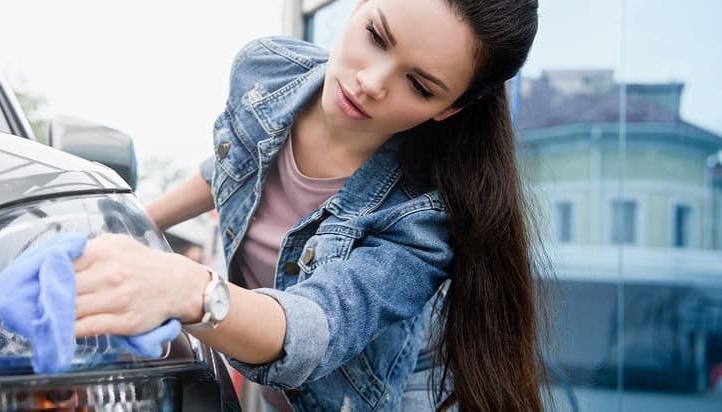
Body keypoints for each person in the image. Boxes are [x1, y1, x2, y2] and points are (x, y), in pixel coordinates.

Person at [72, 0, 544, 410]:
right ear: (359, 7)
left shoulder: (423, 222)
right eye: (376, 36)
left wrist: (188, 291)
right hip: (261, 378)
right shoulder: (265, 71)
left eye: (419, 86)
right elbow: (232, 163)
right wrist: (132, 223)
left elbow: (319, 325)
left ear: (450, 109)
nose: (371, 82)